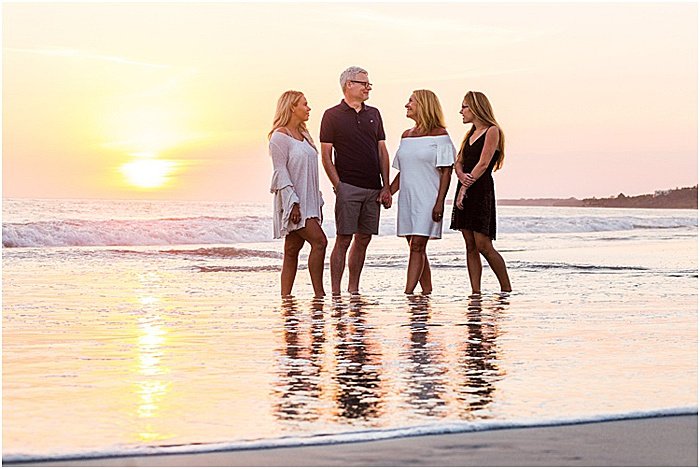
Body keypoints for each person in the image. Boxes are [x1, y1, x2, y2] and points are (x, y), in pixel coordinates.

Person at [320, 66, 392, 295]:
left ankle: (353, 289)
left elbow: (382, 151)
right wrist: (338, 186)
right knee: (343, 239)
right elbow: (325, 155)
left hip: (373, 187)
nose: (368, 87)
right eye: (364, 83)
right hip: (348, 187)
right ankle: (335, 292)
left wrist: (386, 186)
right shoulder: (331, 115)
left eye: (369, 83)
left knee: (364, 239)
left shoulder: (374, 114)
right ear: (348, 85)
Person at [389, 90, 455, 294]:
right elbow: (403, 172)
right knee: (414, 246)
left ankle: (407, 294)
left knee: (417, 245)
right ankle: (426, 292)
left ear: (424, 105)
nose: (406, 105)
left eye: (411, 101)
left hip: (429, 198)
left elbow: (446, 172)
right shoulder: (406, 136)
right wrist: (388, 192)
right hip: (408, 198)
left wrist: (440, 202)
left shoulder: (440, 135)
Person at [450, 91, 512, 294]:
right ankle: (475, 292)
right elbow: (458, 162)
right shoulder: (469, 134)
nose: (461, 111)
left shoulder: (492, 130)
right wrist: (460, 177)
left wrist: (465, 187)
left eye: (464, 106)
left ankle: (506, 289)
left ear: (476, 107)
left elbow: (484, 163)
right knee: (469, 245)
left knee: (483, 244)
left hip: (480, 190)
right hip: (465, 186)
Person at [269, 91, 327, 297]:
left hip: (309, 201)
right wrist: (292, 203)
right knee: (320, 242)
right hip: (295, 203)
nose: (309, 108)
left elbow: (310, 172)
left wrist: (317, 200)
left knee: (292, 250)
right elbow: (280, 171)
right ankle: (319, 295)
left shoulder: (304, 136)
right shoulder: (279, 136)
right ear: (292, 107)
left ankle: (286, 299)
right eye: (305, 104)